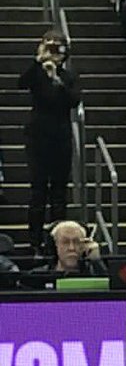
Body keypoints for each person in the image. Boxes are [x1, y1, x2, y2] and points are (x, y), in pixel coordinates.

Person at [18, 32, 82, 254]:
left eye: (58, 48)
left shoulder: (68, 76)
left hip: (60, 138)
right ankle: (34, 242)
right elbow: (21, 83)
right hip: (38, 138)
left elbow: (74, 100)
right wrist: (38, 60)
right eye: (50, 47)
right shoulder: (36, 72)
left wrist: (56, 79)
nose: (54, 53)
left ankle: (58, 243)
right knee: (38, 192)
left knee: (59, 193)